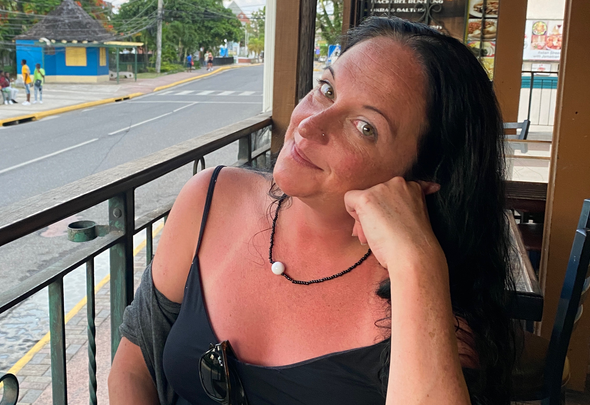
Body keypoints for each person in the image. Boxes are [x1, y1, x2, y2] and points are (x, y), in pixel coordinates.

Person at [109, 17, 516, 405]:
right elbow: (132, 366)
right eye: (327, 90)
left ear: (423, 178)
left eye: (365, 127)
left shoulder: (431, 310)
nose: (308, 125)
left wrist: (415, 261)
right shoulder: (211, 198)